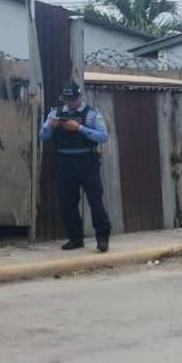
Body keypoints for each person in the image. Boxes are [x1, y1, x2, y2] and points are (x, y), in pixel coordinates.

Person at [39, 83, 112, 252]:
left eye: (73, 99)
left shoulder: (92, 114)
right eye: (67, 100)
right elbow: (42, 136)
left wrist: (79, 128)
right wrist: (51, 126)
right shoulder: (55, 113)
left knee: (95, 200)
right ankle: (75, 238)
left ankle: (102, 237)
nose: (70, 103)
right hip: (64, 161)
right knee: (67, 203)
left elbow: (103, 136)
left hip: (86, 161)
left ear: (80, 97)